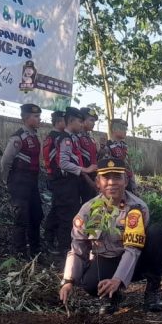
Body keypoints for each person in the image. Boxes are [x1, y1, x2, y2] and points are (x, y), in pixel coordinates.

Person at [59, 156, 162, 313]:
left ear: (125, 180)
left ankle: (152, 290)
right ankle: (113, 295)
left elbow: (133, 249)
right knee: (90, 284)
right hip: (107, 259)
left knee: (157, 233)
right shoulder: (88, 211)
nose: (111, 182)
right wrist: (68, 280)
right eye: (106, 177)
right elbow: (77, 249)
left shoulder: (136, 208)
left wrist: (118, 279)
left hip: (137, 261)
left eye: (117, 177)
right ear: (97, 182)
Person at [45, 108, 94, 254]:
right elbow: (63, 163)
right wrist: (83, 170)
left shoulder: (72, 138)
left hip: (71, 181)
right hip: (64, 182)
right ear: (71, 121)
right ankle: (64, 248)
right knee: (67, 214)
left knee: (69, 211)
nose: (81, 124)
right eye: (79, 121)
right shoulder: (65, 139)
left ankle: (64, 245)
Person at [0, 103, 43, 257]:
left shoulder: (34, 136)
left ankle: (35, 249)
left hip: (32, 182)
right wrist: (7, 181)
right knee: (21, 217)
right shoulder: (18, 137)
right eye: (36, 116)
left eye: (39, 116)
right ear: (26, 118)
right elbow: (5, 161)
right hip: (19, 181)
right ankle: (20, 252)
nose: (39, 119)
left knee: (36, 215)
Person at [41, 110, 67, 250]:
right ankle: (49, 238)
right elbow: (52, 160)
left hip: (57, 177)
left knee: (58, 208)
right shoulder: (55, 138)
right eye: (65, 120)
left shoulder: (56, 137)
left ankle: (53, 237)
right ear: (59, 122)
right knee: (57, 209)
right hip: (57, 178)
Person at [103, 118, 137, 192]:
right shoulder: (108, 146)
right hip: (117, 181)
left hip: (128, 179)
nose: (125, 132)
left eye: (125, 129)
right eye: (123, 129)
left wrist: (133, 179)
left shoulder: (124, 146)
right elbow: (107, 169)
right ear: (114, 130)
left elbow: (129, 165)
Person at [76, 108, 99, 202]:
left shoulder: (90, 137)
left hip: (93, 177)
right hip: (82, 178)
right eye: (91, 120)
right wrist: (87, 178)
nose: (93, 123)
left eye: (94, 121)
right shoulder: (76, 137)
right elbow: (78, 160)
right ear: (83, 120)